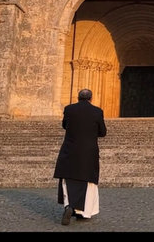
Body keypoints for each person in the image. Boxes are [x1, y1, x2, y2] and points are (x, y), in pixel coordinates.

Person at [53, 88, 107, 225]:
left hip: (70, 150)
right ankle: (83, 212)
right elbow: (102, 132)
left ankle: (69, 206)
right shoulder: (97, 111)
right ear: (91, 98)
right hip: (88, 152)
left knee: (69, 178)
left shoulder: (69, 109)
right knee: (87, 181)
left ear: (78, 98)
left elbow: (65, 125)